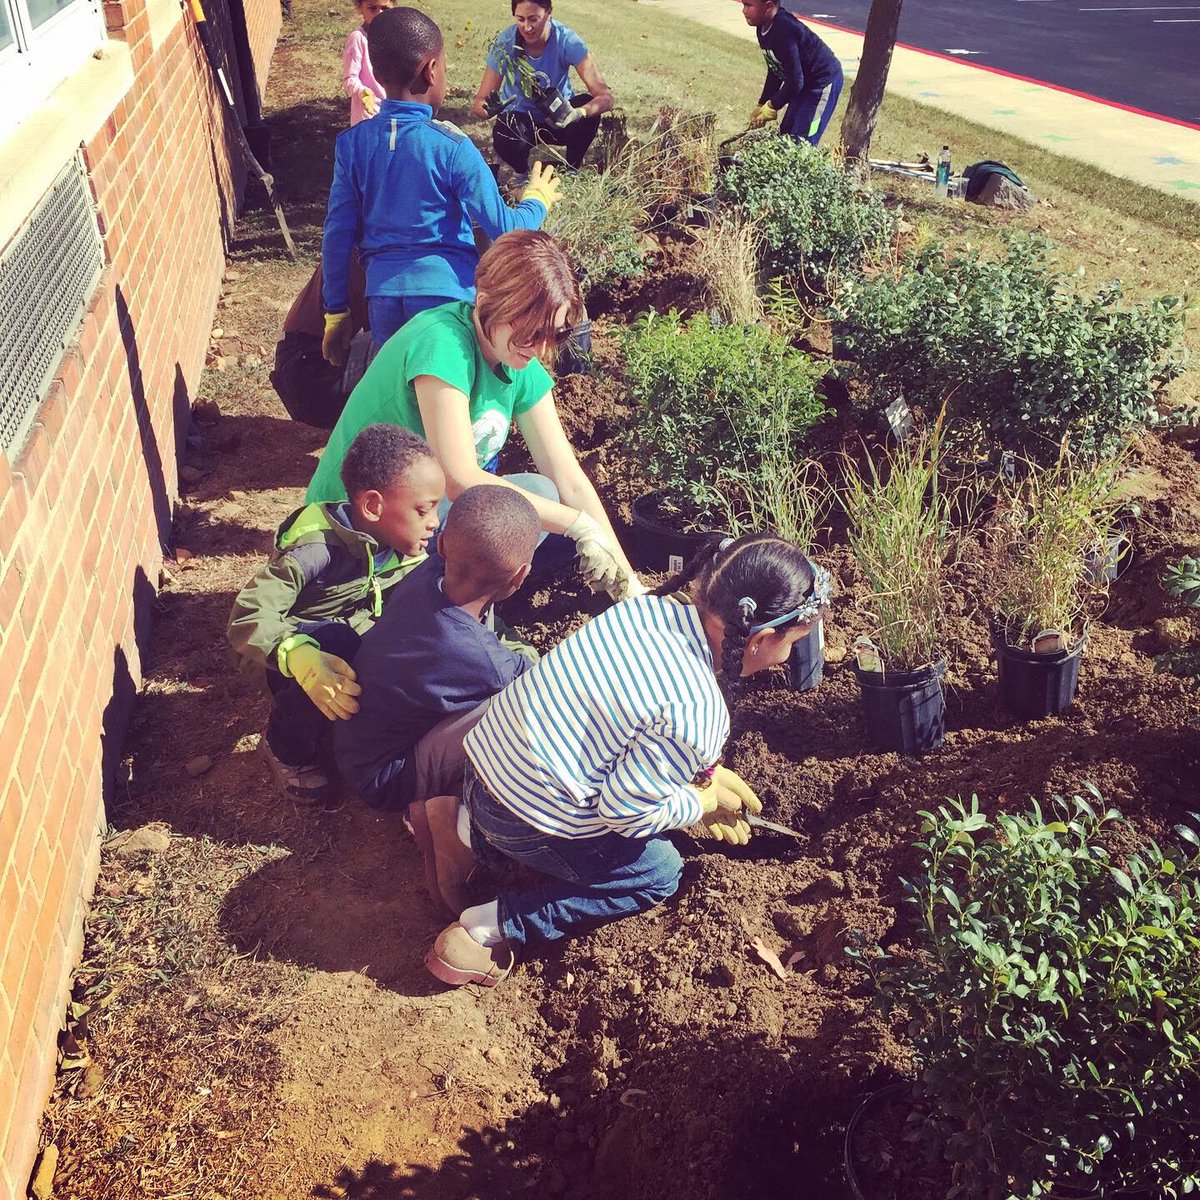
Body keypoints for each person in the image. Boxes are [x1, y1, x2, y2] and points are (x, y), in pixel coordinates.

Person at [418, 533, 834, 987]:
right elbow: (624, 814)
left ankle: (464, 828)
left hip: (484, 770)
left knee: (540, 800)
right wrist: (696, 806)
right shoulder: (698, 711)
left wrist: (702, 774)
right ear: (763, 637)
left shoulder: (647, 609)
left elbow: (620, 723)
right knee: (658, 871)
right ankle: (487, 927)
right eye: (793, 643)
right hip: (525, 818)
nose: (787, 657)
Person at [306, 230, 643, 603]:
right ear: (485, 302)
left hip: (418, 517)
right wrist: (577, 525)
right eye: (531, 332)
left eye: (556, 334)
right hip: (356, 529)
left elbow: (568, 478)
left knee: (542, 493)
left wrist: (629, 583)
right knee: (521, 511)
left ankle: (441, 601)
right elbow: (460, 479)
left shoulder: (518, 359)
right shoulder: (444, 343)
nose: (543, 349)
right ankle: (420, 607)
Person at [321, 6, 563, 359]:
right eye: (445, 67)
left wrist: (336, 313)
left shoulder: (353, 145)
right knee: (448, 395)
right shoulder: (451, 147)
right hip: (445, 298)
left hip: (383, 300)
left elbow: (337, 234)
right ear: (431, 71)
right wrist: (537, 200)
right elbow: (505, 230)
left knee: (407, 394)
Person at [227, 425, 445, 803]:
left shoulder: (402, 544)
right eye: (423, 509)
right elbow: (249, 613)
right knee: (337, 643)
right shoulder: (316, 549)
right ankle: (287, 749)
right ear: (374, 506)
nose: (435, 521)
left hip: (350, 638)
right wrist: (295, 652)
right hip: (284, 655)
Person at [335, 485, 540, 827]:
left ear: (441, 544)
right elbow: (538, 677)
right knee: (522, 707)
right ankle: (432, 814)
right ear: (520, 576)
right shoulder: (481, 660)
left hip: (355, 746)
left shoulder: (426, 576)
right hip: (388, 778)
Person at [471, 0, 612, 183]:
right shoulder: (505, 43)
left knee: (588, 107)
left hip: (558, 118)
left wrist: (578, 113)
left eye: (534, 19)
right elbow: (479, 103)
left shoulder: (566, 40)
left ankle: (571, 168)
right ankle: (521, 171)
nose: (527, 27)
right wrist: (487, 110)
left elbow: (606, 97)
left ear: (549, 13)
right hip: (521, 120)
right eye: (520, 19)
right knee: (504, 130)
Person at [270, 256, 369, 429]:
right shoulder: (374, 255)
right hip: (310, 375)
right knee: (406, 341)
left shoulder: (349, 245)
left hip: (298, 368)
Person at [739, 0, 843, 147]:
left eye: (748, 5)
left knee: (803, 140)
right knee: (786, 134)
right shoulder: (762, 27)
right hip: (802, 82)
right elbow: (776, 69)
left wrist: (772, 105)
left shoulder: (785, 30)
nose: (744, 10)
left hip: (822, 83)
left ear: (768, 6)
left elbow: (795, 81)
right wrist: (762, 103)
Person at [342, 0, 390, 126]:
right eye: (372, 8)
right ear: (360, 7)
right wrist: (362, 91)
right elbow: (349, 78)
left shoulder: (392, 37)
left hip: (390, 112)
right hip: (368, 114)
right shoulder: (358, 38)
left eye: (384, 8)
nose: (379, 14)